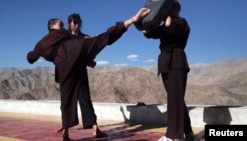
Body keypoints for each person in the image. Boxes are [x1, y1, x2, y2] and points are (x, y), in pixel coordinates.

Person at [27, 8, 150, 141]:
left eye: (77, 22)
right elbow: (38, 52)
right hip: (68, 66)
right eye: (69, 23)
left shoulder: (70, 39)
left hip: (74, 69)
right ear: (54, 27)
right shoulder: (62, 36)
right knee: (66, 100)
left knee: (81, 99)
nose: (73, 25)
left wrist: (31, 56)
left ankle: (92, 128)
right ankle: (66, 132)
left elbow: (32, 56)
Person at [142, 1, 194, 141]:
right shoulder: (165, 25)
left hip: (177, 60)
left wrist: (167, 18)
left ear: (177, 9)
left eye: (172, 8)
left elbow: (172, 27)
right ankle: (188, 132)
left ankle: (172, 136)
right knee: (176, 98)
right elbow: (153, 33)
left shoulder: (182, 22)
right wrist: (146, 28)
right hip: (165, 63)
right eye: (168, 8)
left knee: (174, 99)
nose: (170, 10)